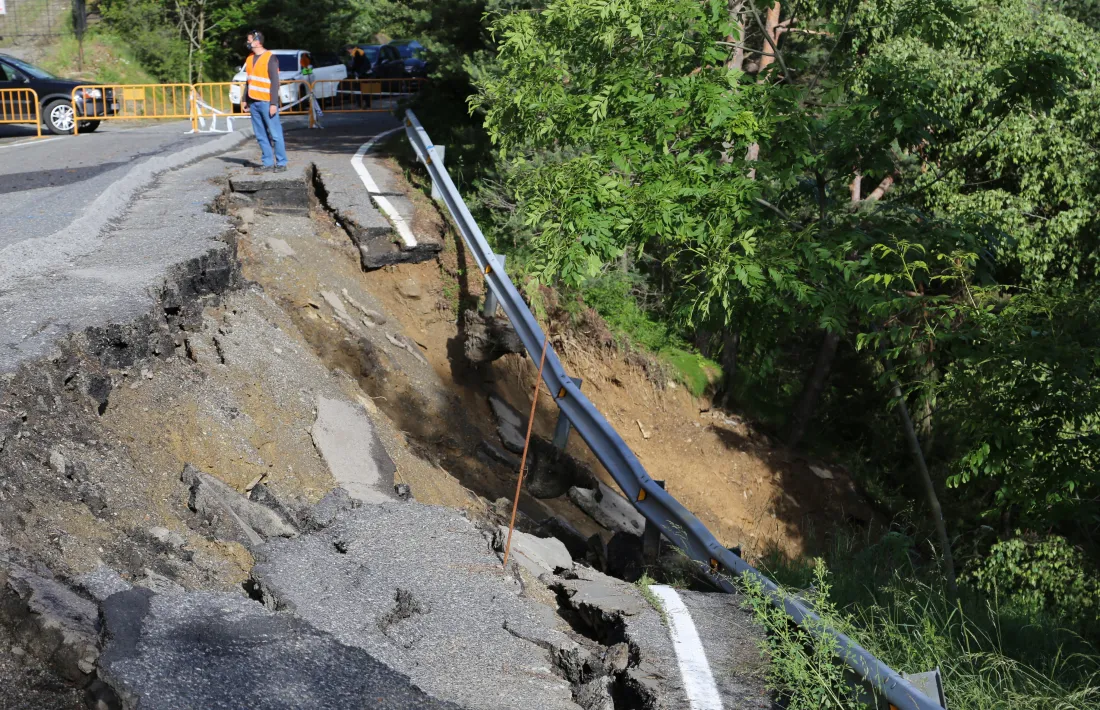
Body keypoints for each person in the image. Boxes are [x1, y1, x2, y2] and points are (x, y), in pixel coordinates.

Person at [240, 30, 287, 173]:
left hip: (266, 102)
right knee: (260, 135)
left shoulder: (270, 57)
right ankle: (267, 163)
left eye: (249, 40)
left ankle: (281, 163)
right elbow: (249, 81)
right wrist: (244, 99)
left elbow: (275, 82)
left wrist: (273, 103)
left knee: (275, 134)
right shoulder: (249, 58)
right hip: (253, 102)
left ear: (257, 42)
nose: (247, 43)